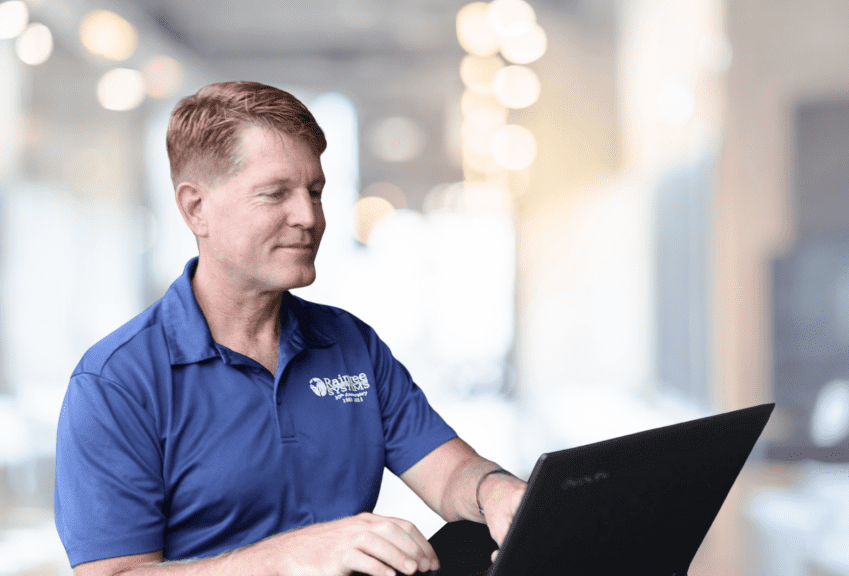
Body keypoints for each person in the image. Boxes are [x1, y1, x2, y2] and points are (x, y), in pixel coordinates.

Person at [54, 81, 527, 576]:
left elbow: (449, 473)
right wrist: (288, 557)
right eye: (275, 193)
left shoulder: (351, 345)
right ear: (196, 208)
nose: (309, 217)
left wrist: (493, 490)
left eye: (316, 192)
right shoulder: (116, 382)